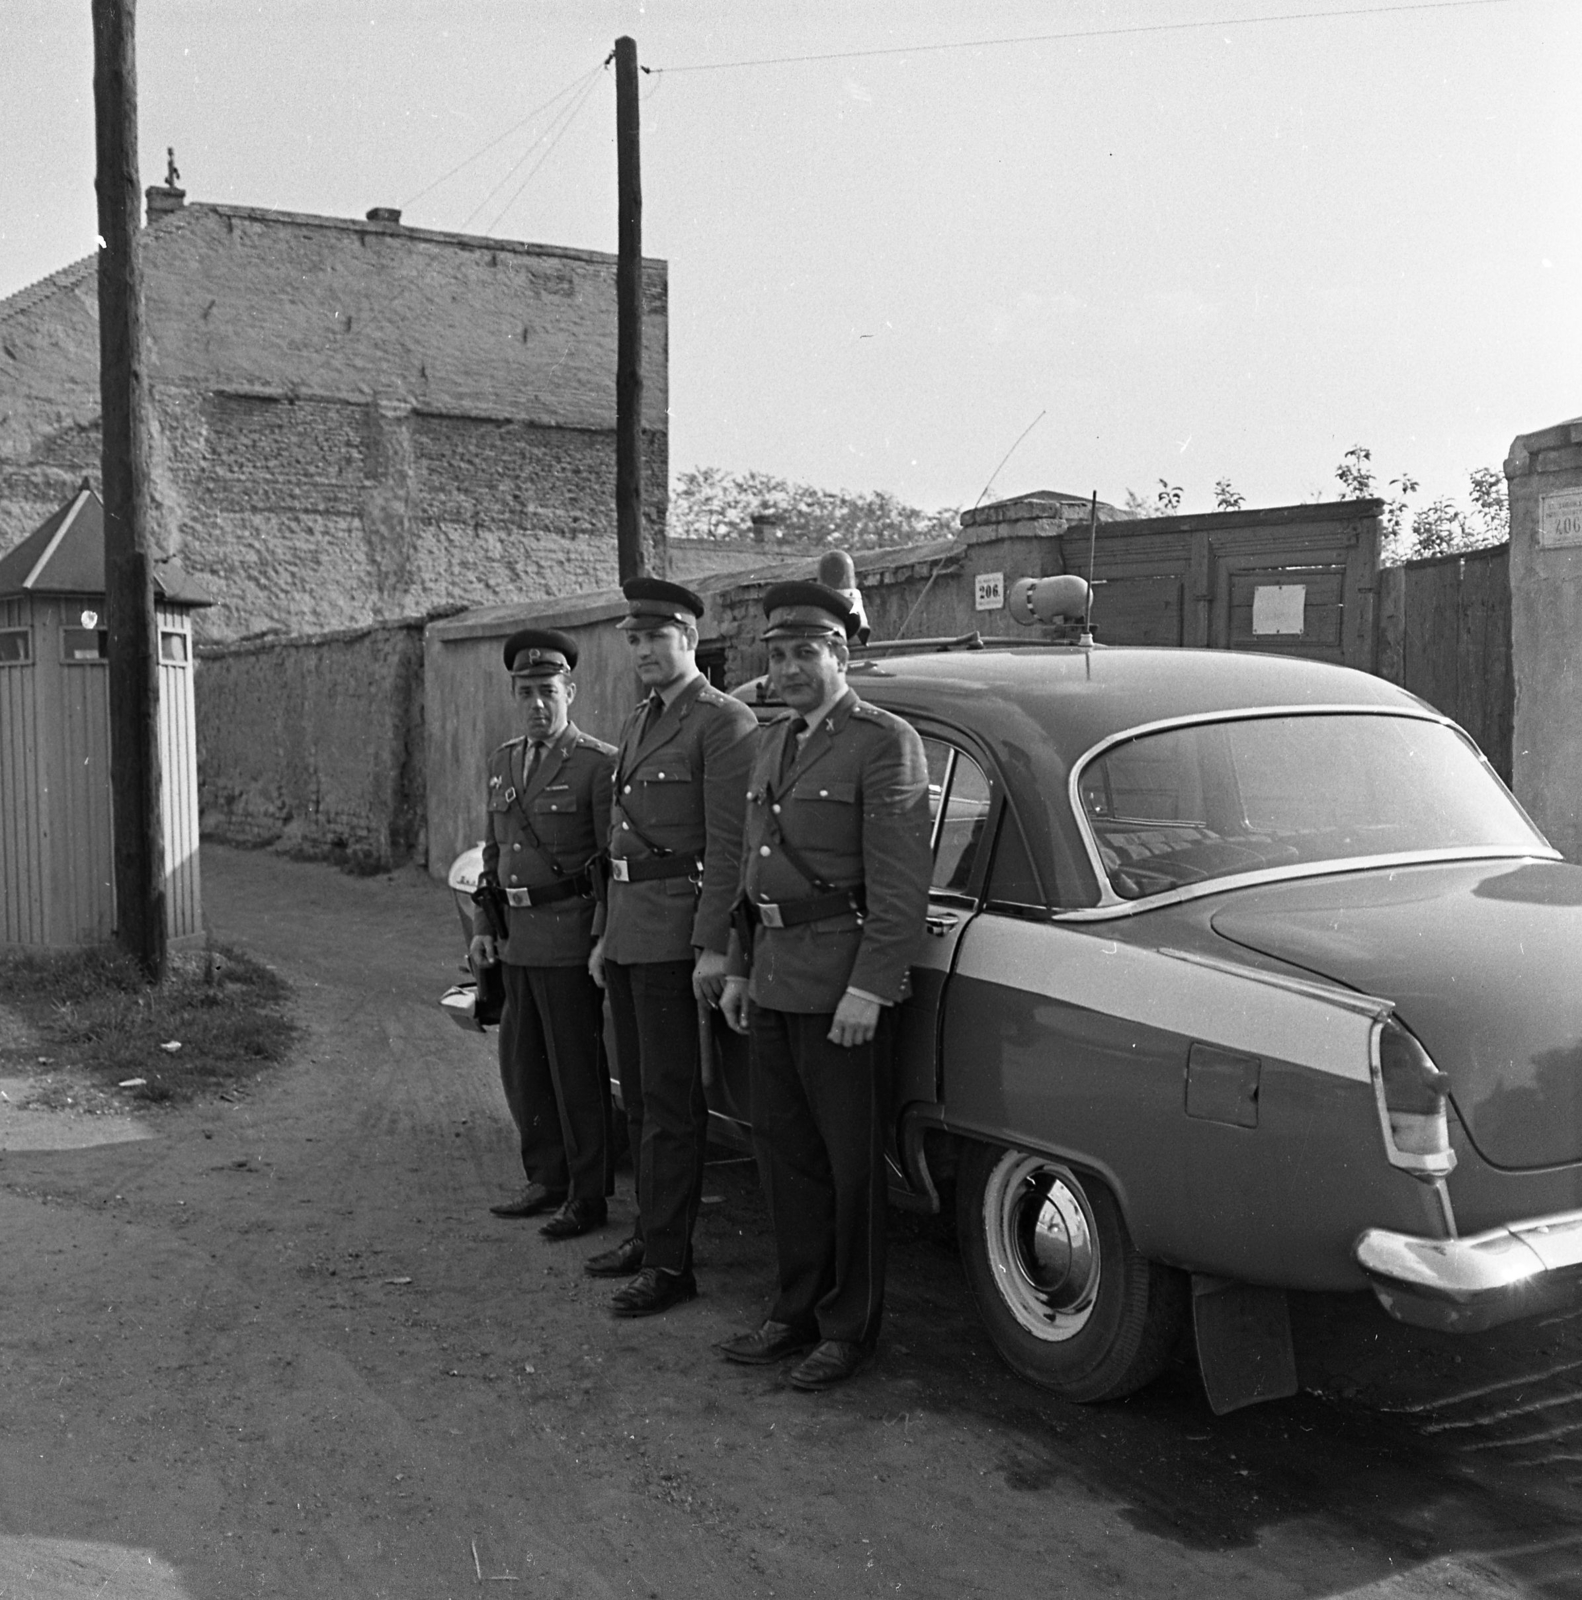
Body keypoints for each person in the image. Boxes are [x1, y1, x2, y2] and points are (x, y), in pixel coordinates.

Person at [718, 581, 931, 1390]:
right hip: (774, 980)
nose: (790, 670)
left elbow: (900, 885)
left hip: (842, 988)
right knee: (786, 1158)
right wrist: (739, 969)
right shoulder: (774, 743)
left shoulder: (884, 741)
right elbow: (751, 869)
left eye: (806, 652)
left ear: (840, 655)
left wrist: (870, 990)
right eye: (777, 657)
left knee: (849, 1167)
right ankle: (794, 1309)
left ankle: (848, 1328)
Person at [586, 577, 760, 1317]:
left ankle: (670, 1263)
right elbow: (618, 842)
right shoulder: (637, 720)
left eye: (656, 638)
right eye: (634, 639)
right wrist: (603, 936)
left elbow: (729, 846)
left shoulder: (723, 722)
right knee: (637, 1096)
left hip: (675, 933)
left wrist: (713, 946)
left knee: (670, 1102)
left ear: (689, 638)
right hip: (630, 930)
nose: (643, 651)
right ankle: (647, 1233)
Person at [471, 629, 617, 1240]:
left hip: (568, 938)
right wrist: (483, 928)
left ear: (570, 693)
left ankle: (588, 1195)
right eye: (526, 692)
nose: (537, 704)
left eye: (548, 692)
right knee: (524, 1064)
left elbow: (610, 863)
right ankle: (545, 1176)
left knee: (575, 1071)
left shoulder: (596, 764)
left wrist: (603, 939)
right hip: (516, 939)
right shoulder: (503, 761)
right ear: (514, 693)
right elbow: (494, 851)